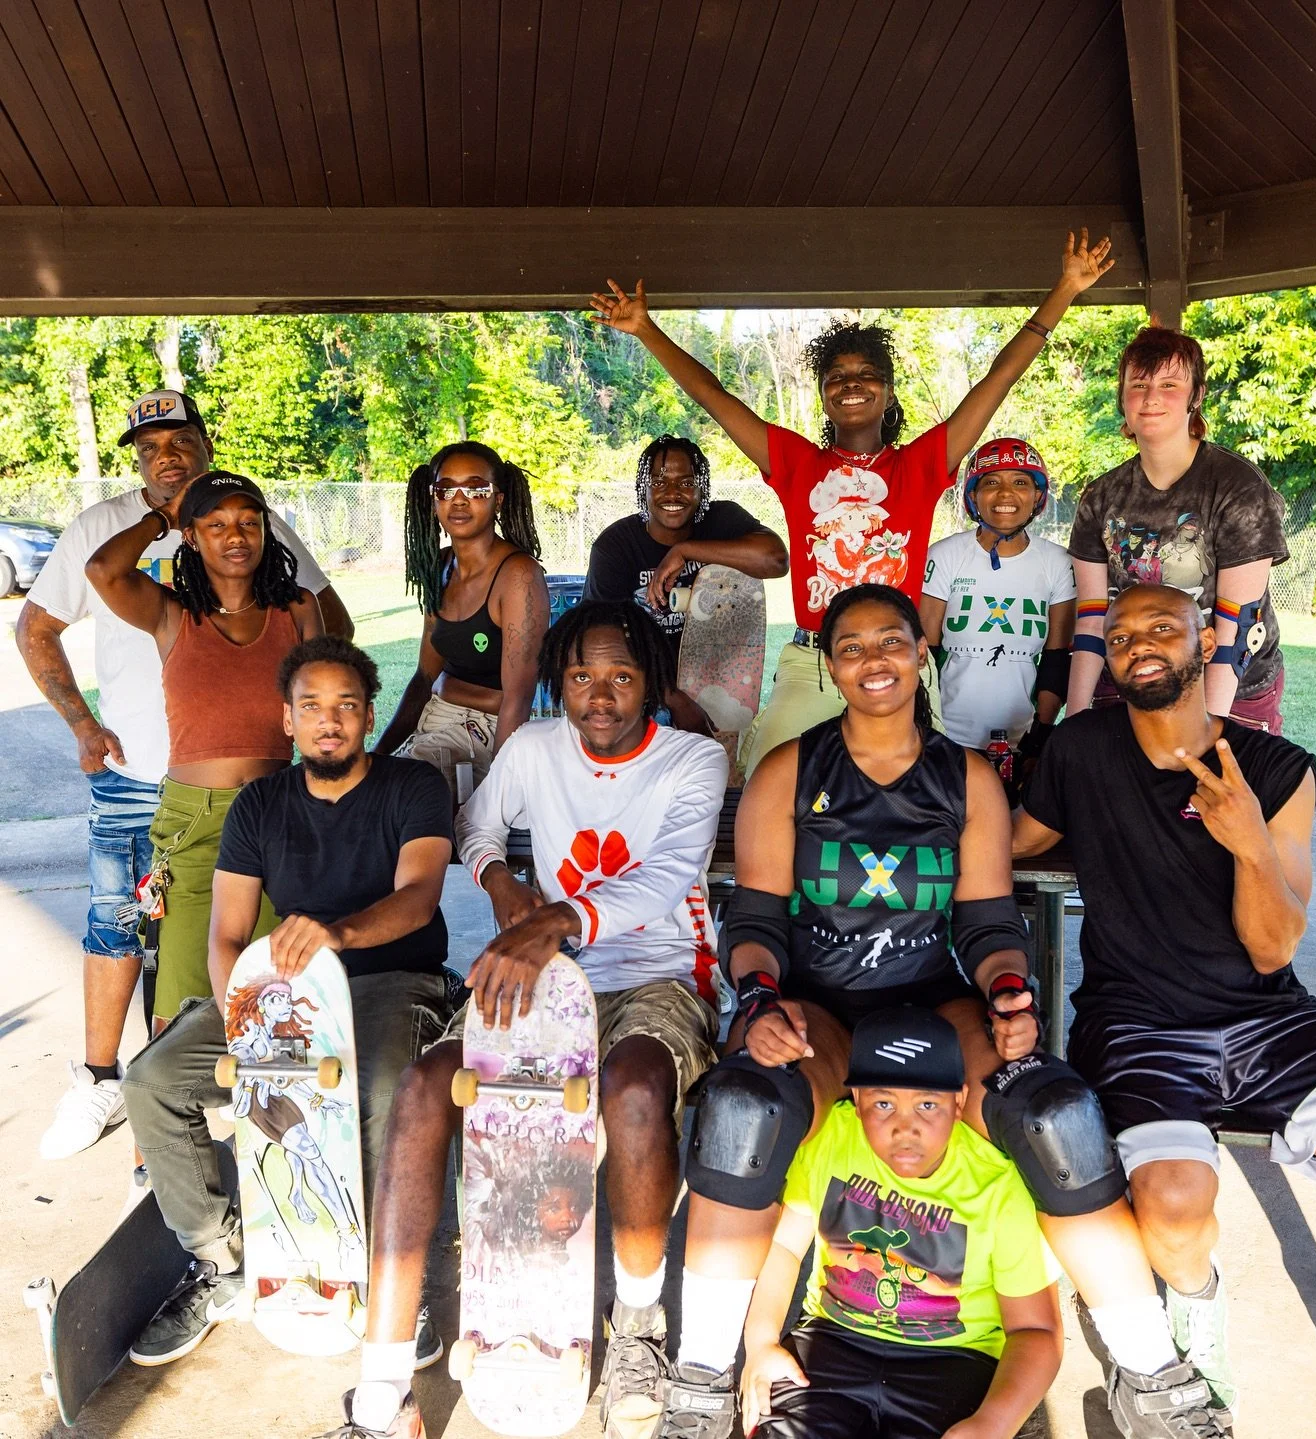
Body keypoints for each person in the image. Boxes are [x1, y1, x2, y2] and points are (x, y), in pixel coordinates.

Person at [669, 583, 1200, 1439]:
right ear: (830, 663)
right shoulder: (790, 770)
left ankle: (1149, 1370)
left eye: (892, 641)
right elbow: (756, 919)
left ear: (923, 650)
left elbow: (989, 922)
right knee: (743, 1107)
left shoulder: (965, 778)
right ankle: (699, 1374)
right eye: (852, 646)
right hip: (818, 1004)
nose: (874, 660)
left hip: (931, 999)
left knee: (1052, 1113)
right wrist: (761, 996)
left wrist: (1007, 990)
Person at [1015, 584, 1316, 1438]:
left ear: (1203, 645)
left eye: (1162, 629)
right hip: (1138, 1023)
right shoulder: (1082, 749)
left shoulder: (1277, 771)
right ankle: (1197, 1320)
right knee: (1174, 1209)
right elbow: (1014, 841)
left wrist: (1247, 838)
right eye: (1123, 631)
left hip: (1270, 1019)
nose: (1139, 644)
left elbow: (1275, 947)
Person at [321, 600, 728, 1439]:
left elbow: (662, 882)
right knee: (428, 1085)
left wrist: (550, 924)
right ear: (558, 682)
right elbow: (475, 824)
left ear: (651, 680)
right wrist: (502, 882)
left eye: (622, 675)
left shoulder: (693, 758)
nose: (601, 694)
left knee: (636, 1086)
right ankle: (384, 1388)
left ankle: (640, 1327)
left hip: (657, 972)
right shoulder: (534, 746)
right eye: (581, 676)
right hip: (548, 971)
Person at [589, 230, 1113, 774]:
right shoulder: (796, 465)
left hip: (895, 657)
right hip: (812, 661)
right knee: (766, 781)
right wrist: (645, 329)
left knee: (909, 794)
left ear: (887, 393)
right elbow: (714, 396)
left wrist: (1066, 290)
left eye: (867, 376)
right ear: (823, 394)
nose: (852, 384)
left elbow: (998, 378)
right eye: (836, 376)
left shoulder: (920, 465)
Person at [18, 389, 350, 1160]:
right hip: (159, 788)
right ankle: (121, 1098)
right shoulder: (156, 586)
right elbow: (64, 604)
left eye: (181, 439)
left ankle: (269, 1124)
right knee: (143, 942)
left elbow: (332, 640)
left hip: (271, 802)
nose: (167, 454)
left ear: (204, 441)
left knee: (274, 970)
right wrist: (82, 722)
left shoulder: (277, 580)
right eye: (150, 443)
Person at [121, 636, 454, 1368]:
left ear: (368, 715)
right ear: (287, 720)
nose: (327, 721)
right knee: (152, 1080)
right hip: (282, 994)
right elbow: (230, 933)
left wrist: (339, 932)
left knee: (384, 1096)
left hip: (394, 980)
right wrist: (241, 1022)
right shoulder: (259, 804)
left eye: (345, 706)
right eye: (311, 706)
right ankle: (221, 1259)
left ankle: (396, 1276)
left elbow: (418, 897)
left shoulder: (414, 786)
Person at [740, 1007, 1061, 1439]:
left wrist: (992, 1424)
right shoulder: (831, 1139)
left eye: (928, 1104)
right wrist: (760, 1342)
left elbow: (1035, 1330)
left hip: (956, 1361)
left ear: (959, 1102)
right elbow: (785, 1247)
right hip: (833, 1342)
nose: (904, 1129)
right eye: (883, 1103)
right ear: (856, 1101)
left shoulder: (998, 1182)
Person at [84, 470, 324, 1026]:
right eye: (215, 525)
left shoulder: (297, 609)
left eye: (248, 522)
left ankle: (272, 1106)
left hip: (277, 813)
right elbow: (103, 570)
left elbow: (323, 707)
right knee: (182, 1002)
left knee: (276, 993)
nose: (235, 535)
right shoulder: (171, 613)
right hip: (195, 821)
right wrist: (161, 517)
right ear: (192, 537)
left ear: (266, 530)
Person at [1066, 326, 1290, 731]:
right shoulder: (1099, 496)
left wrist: (1209, 729)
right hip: (1133, 679)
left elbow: (1239, 622)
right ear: (1122, 397)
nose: (1151, 398)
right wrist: (1075, 724)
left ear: (1196, 395)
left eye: (1170, 384)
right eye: (1138, 384)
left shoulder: (1237, 486)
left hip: (1230, 686)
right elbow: (1092, 617)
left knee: (1214, 789)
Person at [375, 441, 548, 800]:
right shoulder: (438, 566)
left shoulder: (518, 575)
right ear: (433, 498)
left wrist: (498, 796)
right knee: (369, 792)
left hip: (483, 732)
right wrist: (375, 756)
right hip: (435, 723)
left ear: (498, 499)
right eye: (446, 489)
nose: (458, 500)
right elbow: (425, 677)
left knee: (398, 803)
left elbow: (517, 698)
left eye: (475, 489)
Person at [583, 433, 788, 731]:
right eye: (659, 482)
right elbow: (601, 641)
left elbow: (775, 560)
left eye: (686, 482)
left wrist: (685, 551)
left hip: (719, 675)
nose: (673, 493)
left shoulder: (721, 520)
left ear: (701, 488)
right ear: (644, 488)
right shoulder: (615, 546)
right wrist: (673, 698)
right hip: (641, 681)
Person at [920, 437, 1076, 773]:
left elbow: (1056, 657)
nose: (1005, 494)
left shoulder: (1058, 562)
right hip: (946, 734)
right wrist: (924, 725)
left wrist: (1040, 736)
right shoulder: (945, 555)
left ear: (1037, 495)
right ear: (973, 495)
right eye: (991, 482)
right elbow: (924, 652)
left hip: (1022, 738)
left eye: (1020, 482)